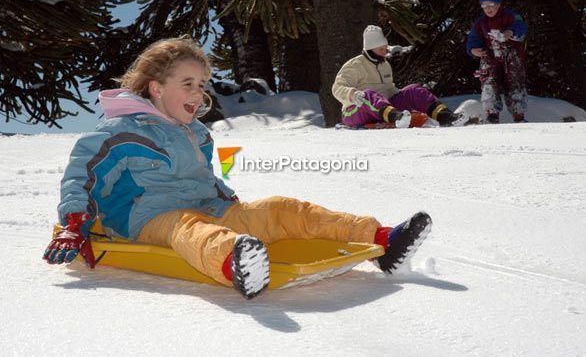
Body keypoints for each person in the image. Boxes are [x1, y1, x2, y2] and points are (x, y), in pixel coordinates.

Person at [43, 37, 433, 299]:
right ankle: (235, 263)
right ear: (156, 87)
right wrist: (74, 224)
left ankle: (381, 239)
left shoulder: (195, 132)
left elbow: (202, 177)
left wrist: (228, 200)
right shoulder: (121, 130)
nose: (198, 94)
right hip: (148, 218)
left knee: (281, 208)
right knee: (189, 230)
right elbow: (82, 174)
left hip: (207, 207)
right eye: (188, 84)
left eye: (202, 85)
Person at [332, 25, 472, 129]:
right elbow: (337, 87)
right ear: (370, 50)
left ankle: (445, 117)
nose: (385, 52)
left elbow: (389, 90)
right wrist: (352, 94)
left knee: (414, 90)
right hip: (356, 111)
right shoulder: (355, 65)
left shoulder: (385, 65)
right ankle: (397, 117)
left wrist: (405, 96)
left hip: (384, 108)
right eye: (381, 49)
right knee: (368, 95)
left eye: (385, 48)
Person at [467, 0, 529, 123]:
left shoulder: (511, 16)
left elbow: (522, 27)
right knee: (489, 83)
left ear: (499, 4)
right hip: (489, 55)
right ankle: (491, 113)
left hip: (511, 55)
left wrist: (509, 33)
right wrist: (473, 50)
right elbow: (473, 39)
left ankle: (518, 114)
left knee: (514, 82)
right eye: (484, 6)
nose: (488, 9)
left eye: (491, 5)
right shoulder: (480, 23)